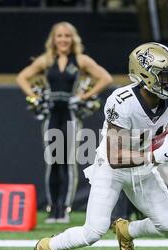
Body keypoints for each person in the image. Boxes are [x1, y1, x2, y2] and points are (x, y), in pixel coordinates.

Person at [35, 42, 168, 250]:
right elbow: (115, 155)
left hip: (142, 167)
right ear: (145, 76)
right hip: (111, 168)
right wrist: (153, 154)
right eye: (165, 76)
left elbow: (159, 126)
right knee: (93, 232)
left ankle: (126, 231)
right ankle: (47, 246)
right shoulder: (122, 102)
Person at [16, 22, 113, 224]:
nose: (63, 39)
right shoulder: (47, 60)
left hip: (70, 113)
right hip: (52, 113)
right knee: (52, 162)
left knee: (68, 161)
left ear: (73, 39)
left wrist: (85, 96)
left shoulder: (80, 60)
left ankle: (64, 209)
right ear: (53, 39)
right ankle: (53, 209)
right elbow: (22, 78)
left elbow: (105, 78)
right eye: (59, 36)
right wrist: (35, 96)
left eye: (67, 36)